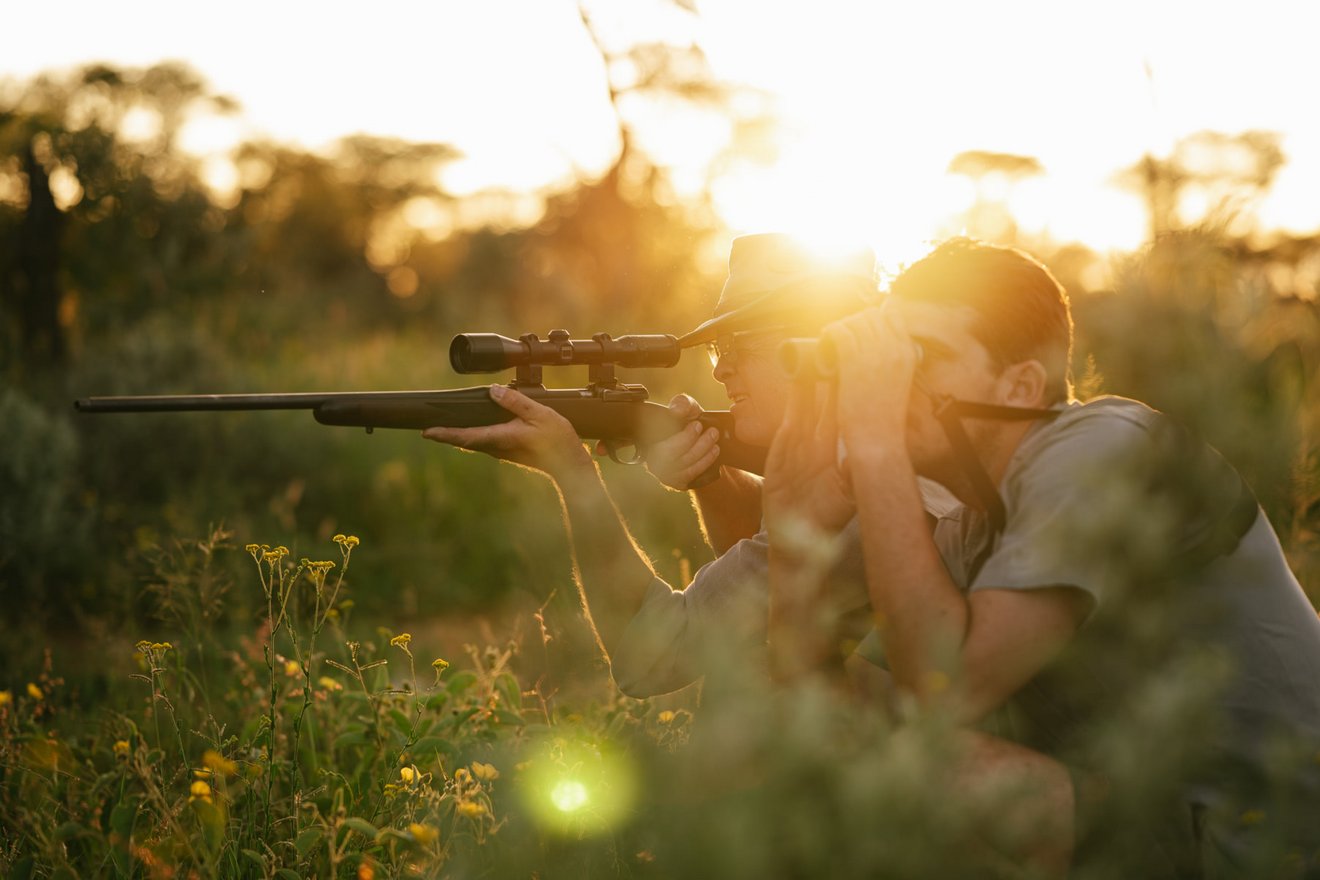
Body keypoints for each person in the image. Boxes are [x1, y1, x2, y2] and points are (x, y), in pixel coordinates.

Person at [765, 236, 1320, 876]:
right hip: (1157, 820)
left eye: (925, 358)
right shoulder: (972, 523)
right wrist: (792, 542)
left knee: (923, 771)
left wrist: (875, 448)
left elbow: (951, 688)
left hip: (1259, 841)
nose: (897, 385)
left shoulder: (1105, 447)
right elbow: (813, 705)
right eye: (893, 359)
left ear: (1022, 385)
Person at [423, 233, 952, 697]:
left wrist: (573, 472)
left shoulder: (869, 481)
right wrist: (710, 477)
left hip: (924, 774)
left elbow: (650, 657)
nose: (722, 370)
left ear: (815, 345)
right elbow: (775, 564)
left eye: (742, 344)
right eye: (720, 347)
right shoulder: (868, 444)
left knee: (749, 679)